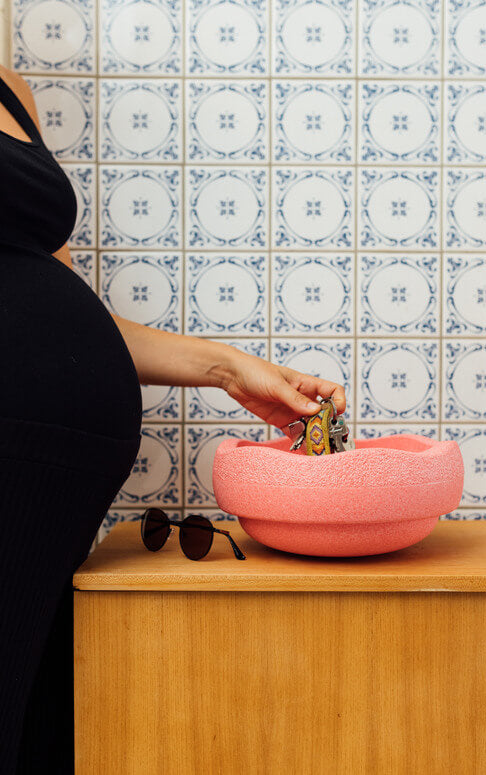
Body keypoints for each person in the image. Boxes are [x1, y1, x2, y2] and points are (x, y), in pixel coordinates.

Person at [0, 64, 346, 774]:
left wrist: (229, 368)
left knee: (37, 725)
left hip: (60, 477)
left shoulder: (8, 86)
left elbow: (61, 300)